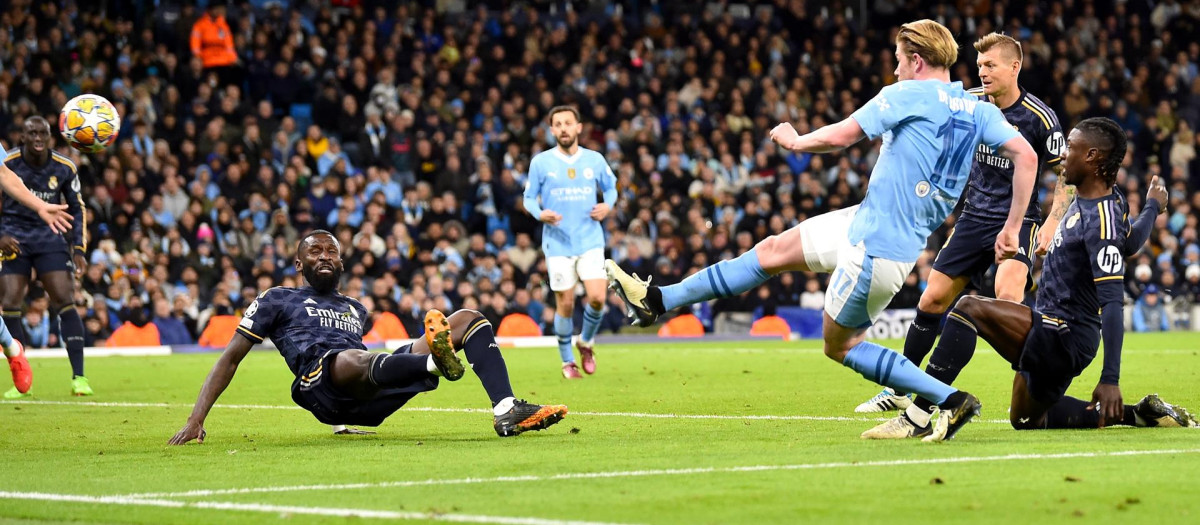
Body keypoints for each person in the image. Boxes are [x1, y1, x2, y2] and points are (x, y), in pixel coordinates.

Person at [607, 19, 1039, 440]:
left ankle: (950, 398)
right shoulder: (977, 109)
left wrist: (797, 141)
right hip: (868, 221)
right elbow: (1027, 157)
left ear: (918, 60)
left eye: (898, 60)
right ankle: (657, 299)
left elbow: (842, 137)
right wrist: (1013, 226)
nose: (895, 69)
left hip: (878, 246)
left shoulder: (906, 93)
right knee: (772, 251)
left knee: (840, 346)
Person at [864, 119, 1196, 441]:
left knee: (968, 308)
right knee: (1027, 418)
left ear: (1093, 156)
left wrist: (1110, 378)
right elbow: (1130, 243)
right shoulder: (1106, 199)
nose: (1063, 154)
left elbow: (1112, 302)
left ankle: (917, 417)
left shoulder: (1101, 218)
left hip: (1064, 334)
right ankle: (1137, 413)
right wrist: (1152, 206)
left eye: (1071, 147)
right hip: (1053, 326)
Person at [169, 231, 567, 444]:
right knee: (346, 359)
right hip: (319, 384)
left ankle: (506, 409)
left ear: (342, 263)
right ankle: (435, 362)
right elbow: (231, 357)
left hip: (370, 393)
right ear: (298, 263)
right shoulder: (276, 299)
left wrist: (344, 425)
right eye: (314, 252)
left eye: (331, 251)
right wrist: (195, 419)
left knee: (468, 317)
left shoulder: (357, 308)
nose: (323, 256)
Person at [856, 33, 1068, 415]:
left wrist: (1053, 221)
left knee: (1006, 295)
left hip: (1018, 221)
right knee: (932, 300)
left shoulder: (1039, 118)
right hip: (974, 217)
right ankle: (901, 390)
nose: (982, 72)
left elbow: (1065, 174)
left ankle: (1037, 385)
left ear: (1014, 67)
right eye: (980, 65)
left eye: (991, 65)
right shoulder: (967, 102)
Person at [523, 106, 617, 379]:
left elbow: (611, 187)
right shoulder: (541, 162)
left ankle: (585, 342)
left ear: (578, 127)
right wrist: (540, 213)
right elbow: (528, 197)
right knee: (565, 305)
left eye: (568, 123)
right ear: (552, 130)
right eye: (558, 124)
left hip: (590, 238)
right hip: (558, 243)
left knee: (598, 297)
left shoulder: (595, 160)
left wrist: (607, 205)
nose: (563, 128)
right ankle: (567, 362)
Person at [1, 117, 89, 398]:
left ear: (51, 137)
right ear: (22, 137)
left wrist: (79, 248)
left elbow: (77, 208)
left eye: (43, 133)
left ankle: (79, 377)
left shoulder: (64, 167)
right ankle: (20, 375)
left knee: (64, 298)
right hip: (13, 235)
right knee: (10, 301)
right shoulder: (11, 161)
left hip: (49, 234)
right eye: (32, 133)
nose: (38, 138)